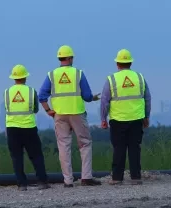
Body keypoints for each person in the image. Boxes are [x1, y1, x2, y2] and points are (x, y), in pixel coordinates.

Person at [38, 45, 102, 187]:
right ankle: (86, 177)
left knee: (63, 146)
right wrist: (93, 98)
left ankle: (67, 180)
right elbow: (86, 96)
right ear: (69, 58)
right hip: (77, 113)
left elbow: (41, 96)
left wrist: (48, 110)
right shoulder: (78, 73)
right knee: (84, 143)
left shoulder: (51, 75)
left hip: (59, 114)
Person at [100, 49, 151, 185]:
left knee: (119, 148)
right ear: (131, 63)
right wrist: (146, 117)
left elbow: (104, 101)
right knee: (135, 148)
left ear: (117, 64)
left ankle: (117, 178)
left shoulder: (111, 79)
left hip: (118, 120)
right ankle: (136, 177)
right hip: (136, 119)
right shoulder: (140, 78)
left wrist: (103, 119)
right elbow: (147, 98)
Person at [4, 64, 50, 191]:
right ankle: (42, 181)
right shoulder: (31, 91)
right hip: (29, 127)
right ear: (25, 77)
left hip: (12, 128)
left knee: (17, 157)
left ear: (13, 78)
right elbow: (35, 109)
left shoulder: (7, 93)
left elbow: (7, 109)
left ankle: (22, 184)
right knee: (36, 156)